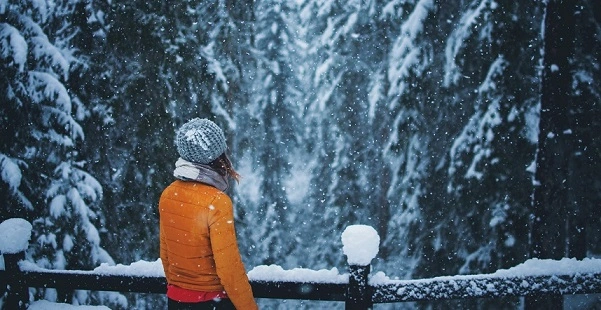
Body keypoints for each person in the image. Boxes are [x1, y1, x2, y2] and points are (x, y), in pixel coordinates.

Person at [159, 118, 258, 310]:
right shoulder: (217, 202)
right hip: (212, 302)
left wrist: (180, 293)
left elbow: (166, 255)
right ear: (218, 154)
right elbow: (229, 268)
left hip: (177, 300)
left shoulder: (169, 194)